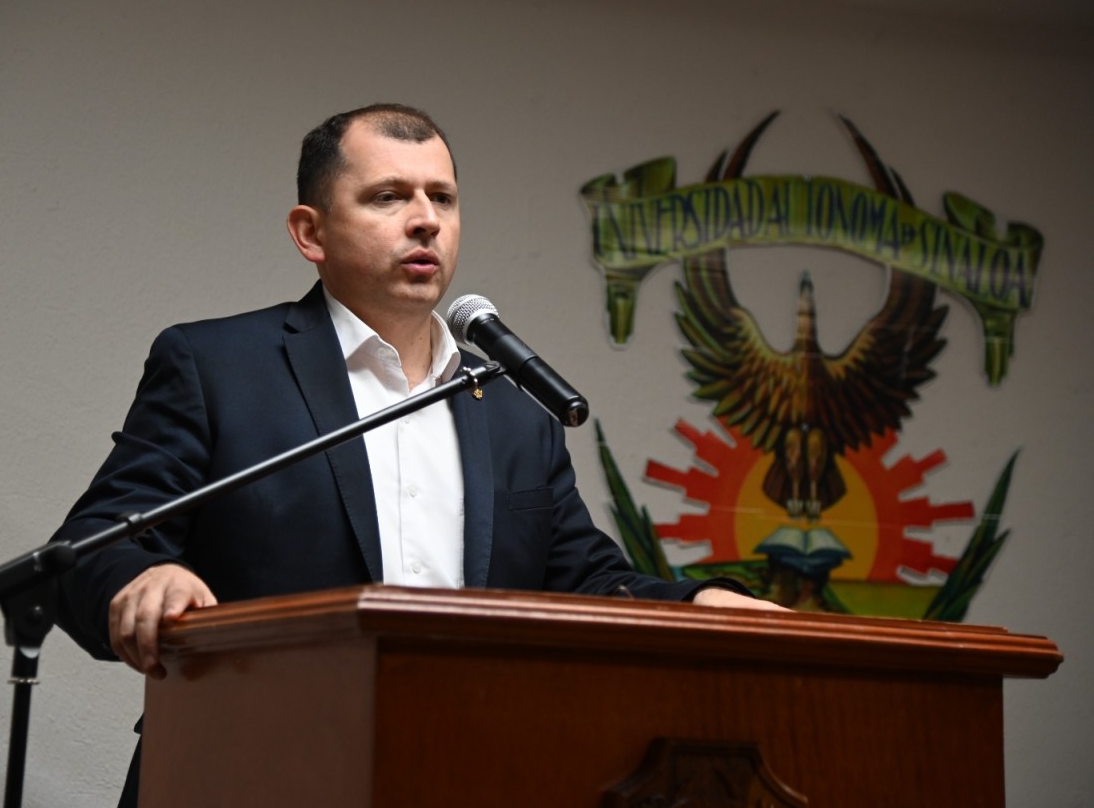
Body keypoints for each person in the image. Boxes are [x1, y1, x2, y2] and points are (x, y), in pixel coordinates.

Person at [51, 103, 784, 806]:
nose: (426, 218)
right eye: (389, 196)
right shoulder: (218, 368)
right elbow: (90, 546)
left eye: (443, 197)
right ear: (311, 232)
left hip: (466, 775)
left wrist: (700, 602)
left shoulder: (510, 409)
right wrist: (143, 576)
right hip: (251, 771)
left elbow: (584, 579)